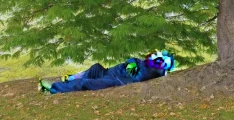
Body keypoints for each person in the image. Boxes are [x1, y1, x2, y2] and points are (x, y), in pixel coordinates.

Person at [39, 50, 175, 94]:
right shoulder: (145, 64)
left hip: (116, 80)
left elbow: (136, 76)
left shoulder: (152, 71)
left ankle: (54, 89)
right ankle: (69, 80)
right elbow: (133, 60)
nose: (151, 56)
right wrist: (131, 63)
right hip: (109, 72)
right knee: (95, 68)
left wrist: (131, 65)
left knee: (86, 83)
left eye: (155, 57)